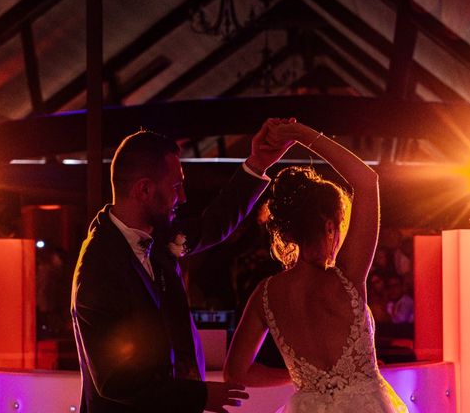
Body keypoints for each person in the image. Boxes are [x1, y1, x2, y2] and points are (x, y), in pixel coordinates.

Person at [71, 119, 291, 413]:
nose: (183, 197)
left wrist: (258, 163)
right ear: (144, 190)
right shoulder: (98, 267)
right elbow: (115, 380)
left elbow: (215, 223)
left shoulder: (159, 237)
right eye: (176, 186)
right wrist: (200, 397)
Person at [223, 120, 408, 412]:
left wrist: (300, 377)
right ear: (330, 225)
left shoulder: (265, 295)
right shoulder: (346, 277)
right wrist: (302, 135)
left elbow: (235, 374)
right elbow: (365, 180)